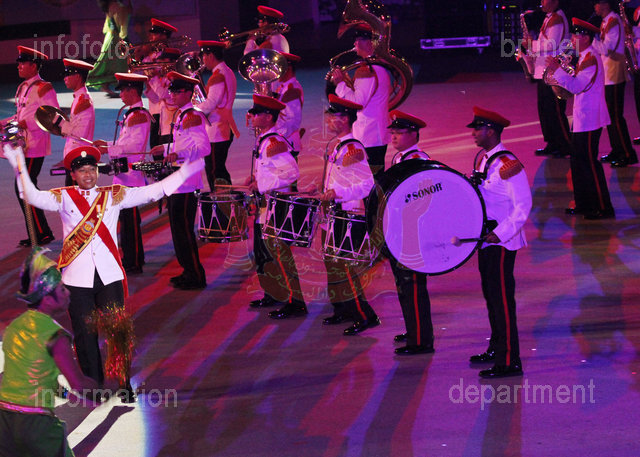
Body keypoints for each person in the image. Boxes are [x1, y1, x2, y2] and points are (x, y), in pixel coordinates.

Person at [3, 142, 204, 396]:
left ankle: (122, 383)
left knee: (118, 332)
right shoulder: (64, 197)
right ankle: (93, 384)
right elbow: (31, 196)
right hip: (76, 280)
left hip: (110, 277)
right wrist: (19, 164)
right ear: (73, 174)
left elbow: (153, 192)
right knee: (84, 335)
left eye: (92, 169)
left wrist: (185, 172)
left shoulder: (114, 195)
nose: (88, 175)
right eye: (82, 171)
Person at [0, 248, 118, 457]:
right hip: (36, 425)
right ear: (47, 298)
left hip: (4, 421)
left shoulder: (14, 328)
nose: (68, 293)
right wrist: (104, 391)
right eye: (62, 289)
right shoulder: (55, 336)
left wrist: (66, 395)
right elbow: (79, 384)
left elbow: (35, 377)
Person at [466, 106, 532, 378]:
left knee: (502, 301)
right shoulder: (484, 160)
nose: (473, 133)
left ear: (491, 131)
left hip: (502, 243)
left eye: (478, 128)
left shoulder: (507, 164)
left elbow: (523, 205)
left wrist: (501, 233)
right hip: (486, 240)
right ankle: (496, 348)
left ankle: (509, 360)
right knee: (492, 298)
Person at [316, 95, 378, 335]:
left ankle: (364, 315)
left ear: (345, 120)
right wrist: (322, 189)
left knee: (344, 266)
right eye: (330, 116)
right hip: (333, 214)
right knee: (331, 263)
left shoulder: (353, 148)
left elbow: (367, 184)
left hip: (347, 214)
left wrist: (338, 193)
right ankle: (341, 308)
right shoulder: (337, 145)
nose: (330, 120)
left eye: (334, 116)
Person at [546, 18, 616, 220]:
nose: (572, 39)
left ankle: (602, 206)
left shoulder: (590, 59)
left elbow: (577, 86)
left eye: (576, 35)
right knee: (578, 161)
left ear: (586, 38)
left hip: (590, 118)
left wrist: (557, 70)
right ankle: (584, 203)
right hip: (582, 117)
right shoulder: (585, 56)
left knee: (589, 162)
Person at [245, 94, 307, 319]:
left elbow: (291, 173)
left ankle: (296, 301)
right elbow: (269, 170)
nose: (252, 116)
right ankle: (273, 293)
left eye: (256, 113)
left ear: (268, 117)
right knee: (263, 253)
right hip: (265, 205)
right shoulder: (263, 141)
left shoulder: (275, 143)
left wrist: (261, 184)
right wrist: (255, 178)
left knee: (280, 255)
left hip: (276, 206)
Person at [150, 71, 209, 290]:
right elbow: (182, 144)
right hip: (178, 179)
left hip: (187, 182)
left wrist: (179, 153)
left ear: (188, 93)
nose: (172, 95)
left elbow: (203, 147)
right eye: (172, 91)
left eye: (177, 91)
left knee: (184, 230)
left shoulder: (192, 115)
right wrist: (165, 149)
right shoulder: (181, 115)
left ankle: (196, 275)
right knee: (177, 230)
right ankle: (187, 270)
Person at [385, 110, 433, 354]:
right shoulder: (401, 158)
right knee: (403, 284)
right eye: (392, 132)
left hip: (412, 232)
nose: (393, 136)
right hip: (401, 229)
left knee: (412, 284)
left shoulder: (417, 160)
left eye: (399, 132)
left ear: (413, 134)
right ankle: (413, 329)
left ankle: (420, 340)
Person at [94, 72, 152, 274]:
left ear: (133, 91)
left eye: (124, 91)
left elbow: (134, 146)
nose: (121, 95)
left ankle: (134, 261)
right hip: (125, 173)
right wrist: (106, 144)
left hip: (132, 175)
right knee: (126, 220)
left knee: (130, 222)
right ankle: (132, 257)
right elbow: (124, 142)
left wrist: (107, 149)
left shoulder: (139, 115)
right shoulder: (132, 114)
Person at [0, 46, 58, 247]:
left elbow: (51, 115)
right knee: (24, 187)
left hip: (35, 145)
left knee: (25, 187)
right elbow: (20, 115)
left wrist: (24, 124)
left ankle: (41, 233)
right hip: (23, 144)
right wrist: (4, 122)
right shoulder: (24, 87)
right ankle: (39, 233)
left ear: (33, 65)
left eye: (22, 63)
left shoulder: (44, 87)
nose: (18, 66)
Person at [330, 24, 391, 181]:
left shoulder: (366, 70)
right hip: (376, 132)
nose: (355, 43)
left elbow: (357, 102)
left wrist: (340, 84)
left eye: (359, 39)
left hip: (368, 134)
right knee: (376, 180)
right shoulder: (379, 67)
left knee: (369, 183)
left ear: (370, 43)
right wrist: (348, 82)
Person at [523, 0, 572, 158]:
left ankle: (565, 144)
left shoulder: (557, 18)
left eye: (545, 0)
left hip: (552, 71)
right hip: (543, 70)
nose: (541, 2)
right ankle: (552, 142)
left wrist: (532, 44)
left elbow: (552, 44)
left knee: (555, 110)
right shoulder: (549, 17)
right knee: (545, 109)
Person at [592, 0, 638, 167]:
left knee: (616, 116)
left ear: (605, 4)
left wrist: (591, 41)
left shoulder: (613, 21)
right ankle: (617, 149)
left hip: (615, 73)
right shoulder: (606, 21)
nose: (595, 7)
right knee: (610, 115)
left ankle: (627, 153)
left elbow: (607, 48)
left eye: (597, 3)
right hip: (608, 74)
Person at [195, 40, 239, 189]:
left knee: (215, 171)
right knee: (218, 169)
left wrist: (192, 109)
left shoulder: (218, 75)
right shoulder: (227, 71)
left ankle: (222, 201)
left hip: (217, 129)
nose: (203, 60)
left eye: (204, 56)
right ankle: (226, 200)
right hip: (223, 126)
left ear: (211, 56)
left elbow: (210, 103)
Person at [141, 19, 178, 150]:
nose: (151, 37)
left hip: (167, 108)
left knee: (162, 147)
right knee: (154, 145)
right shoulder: (149, 57)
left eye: (155, 34)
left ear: (164, 36)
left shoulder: (170, 57)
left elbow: (164, 90)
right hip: (155, 107)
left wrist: (153, 77)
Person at [59, 58, 96, 186]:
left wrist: (59, 122)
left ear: (78, 77)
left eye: (68, 74)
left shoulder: (83, 100)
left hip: (79, 158)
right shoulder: (78, 98)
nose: (65, 78)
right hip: (74, 157)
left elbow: (79, 134)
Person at [86, 0, 132, 97]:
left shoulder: (110, 5)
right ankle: (119, 87)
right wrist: (124, 38)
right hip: (116, 38)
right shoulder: (120, 7)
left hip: (110, 37)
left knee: (108, 63)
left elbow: (107, 27)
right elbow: (122, 26)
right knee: (119, 63)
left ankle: (106, 86)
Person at [273, 52, 304, 158]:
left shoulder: (292, 89)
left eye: (279, 68)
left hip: (287, 143)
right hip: (284, 141)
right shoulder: (283, 87)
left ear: (288, 68)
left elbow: (292, 122)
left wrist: (276, 137)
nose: (276, 71)